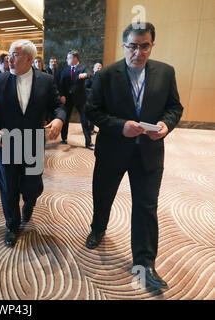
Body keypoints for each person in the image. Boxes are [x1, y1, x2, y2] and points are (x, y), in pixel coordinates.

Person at [85, 22, 183, 289]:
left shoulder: (165, 72)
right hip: (113, 149)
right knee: (103, 194)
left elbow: (174, 107)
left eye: (144, 46)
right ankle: (98, 227)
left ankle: (145, 262)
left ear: (151, 45)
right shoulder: (106, 74)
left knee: (146, 207)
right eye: (132, 46)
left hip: (149, 153)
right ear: (124, 45)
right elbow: (92, 110)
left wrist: (165, 125)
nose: (138, 52)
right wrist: (120, 127)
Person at [0, 39, 66, 248]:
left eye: (14, 54)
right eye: (9, 54)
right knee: (8, 187)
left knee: (33, 186)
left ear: (29, 58)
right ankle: (12, 226)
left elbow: (57, 105)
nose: (9, 59)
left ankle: (30, 202)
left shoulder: (45, 80)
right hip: (5, 144)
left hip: (33, 143)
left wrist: (59, 119)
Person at [59, 50, 93, 149]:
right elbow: (61, 84)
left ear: (75, 58)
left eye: (68, 58)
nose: (67, 60)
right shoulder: (65, 70)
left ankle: (88, 142)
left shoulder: (83, 68)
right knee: (65, 119)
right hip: (68, 99)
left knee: (84, 120)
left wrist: (86, 75)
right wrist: (62, 95)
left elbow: (90, 74)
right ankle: (64, 138)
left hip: (80, 99)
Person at [85, 62, 103, 134]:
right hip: (90, 99)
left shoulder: (102, 77)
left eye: (100, 68)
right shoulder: (90, 77)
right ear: (93, 69)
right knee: (90, 115)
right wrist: (93, 91)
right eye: (97, 68)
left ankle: (93, 129)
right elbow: (86, 87)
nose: (99, 69)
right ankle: (89, 129)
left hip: (99, 100)